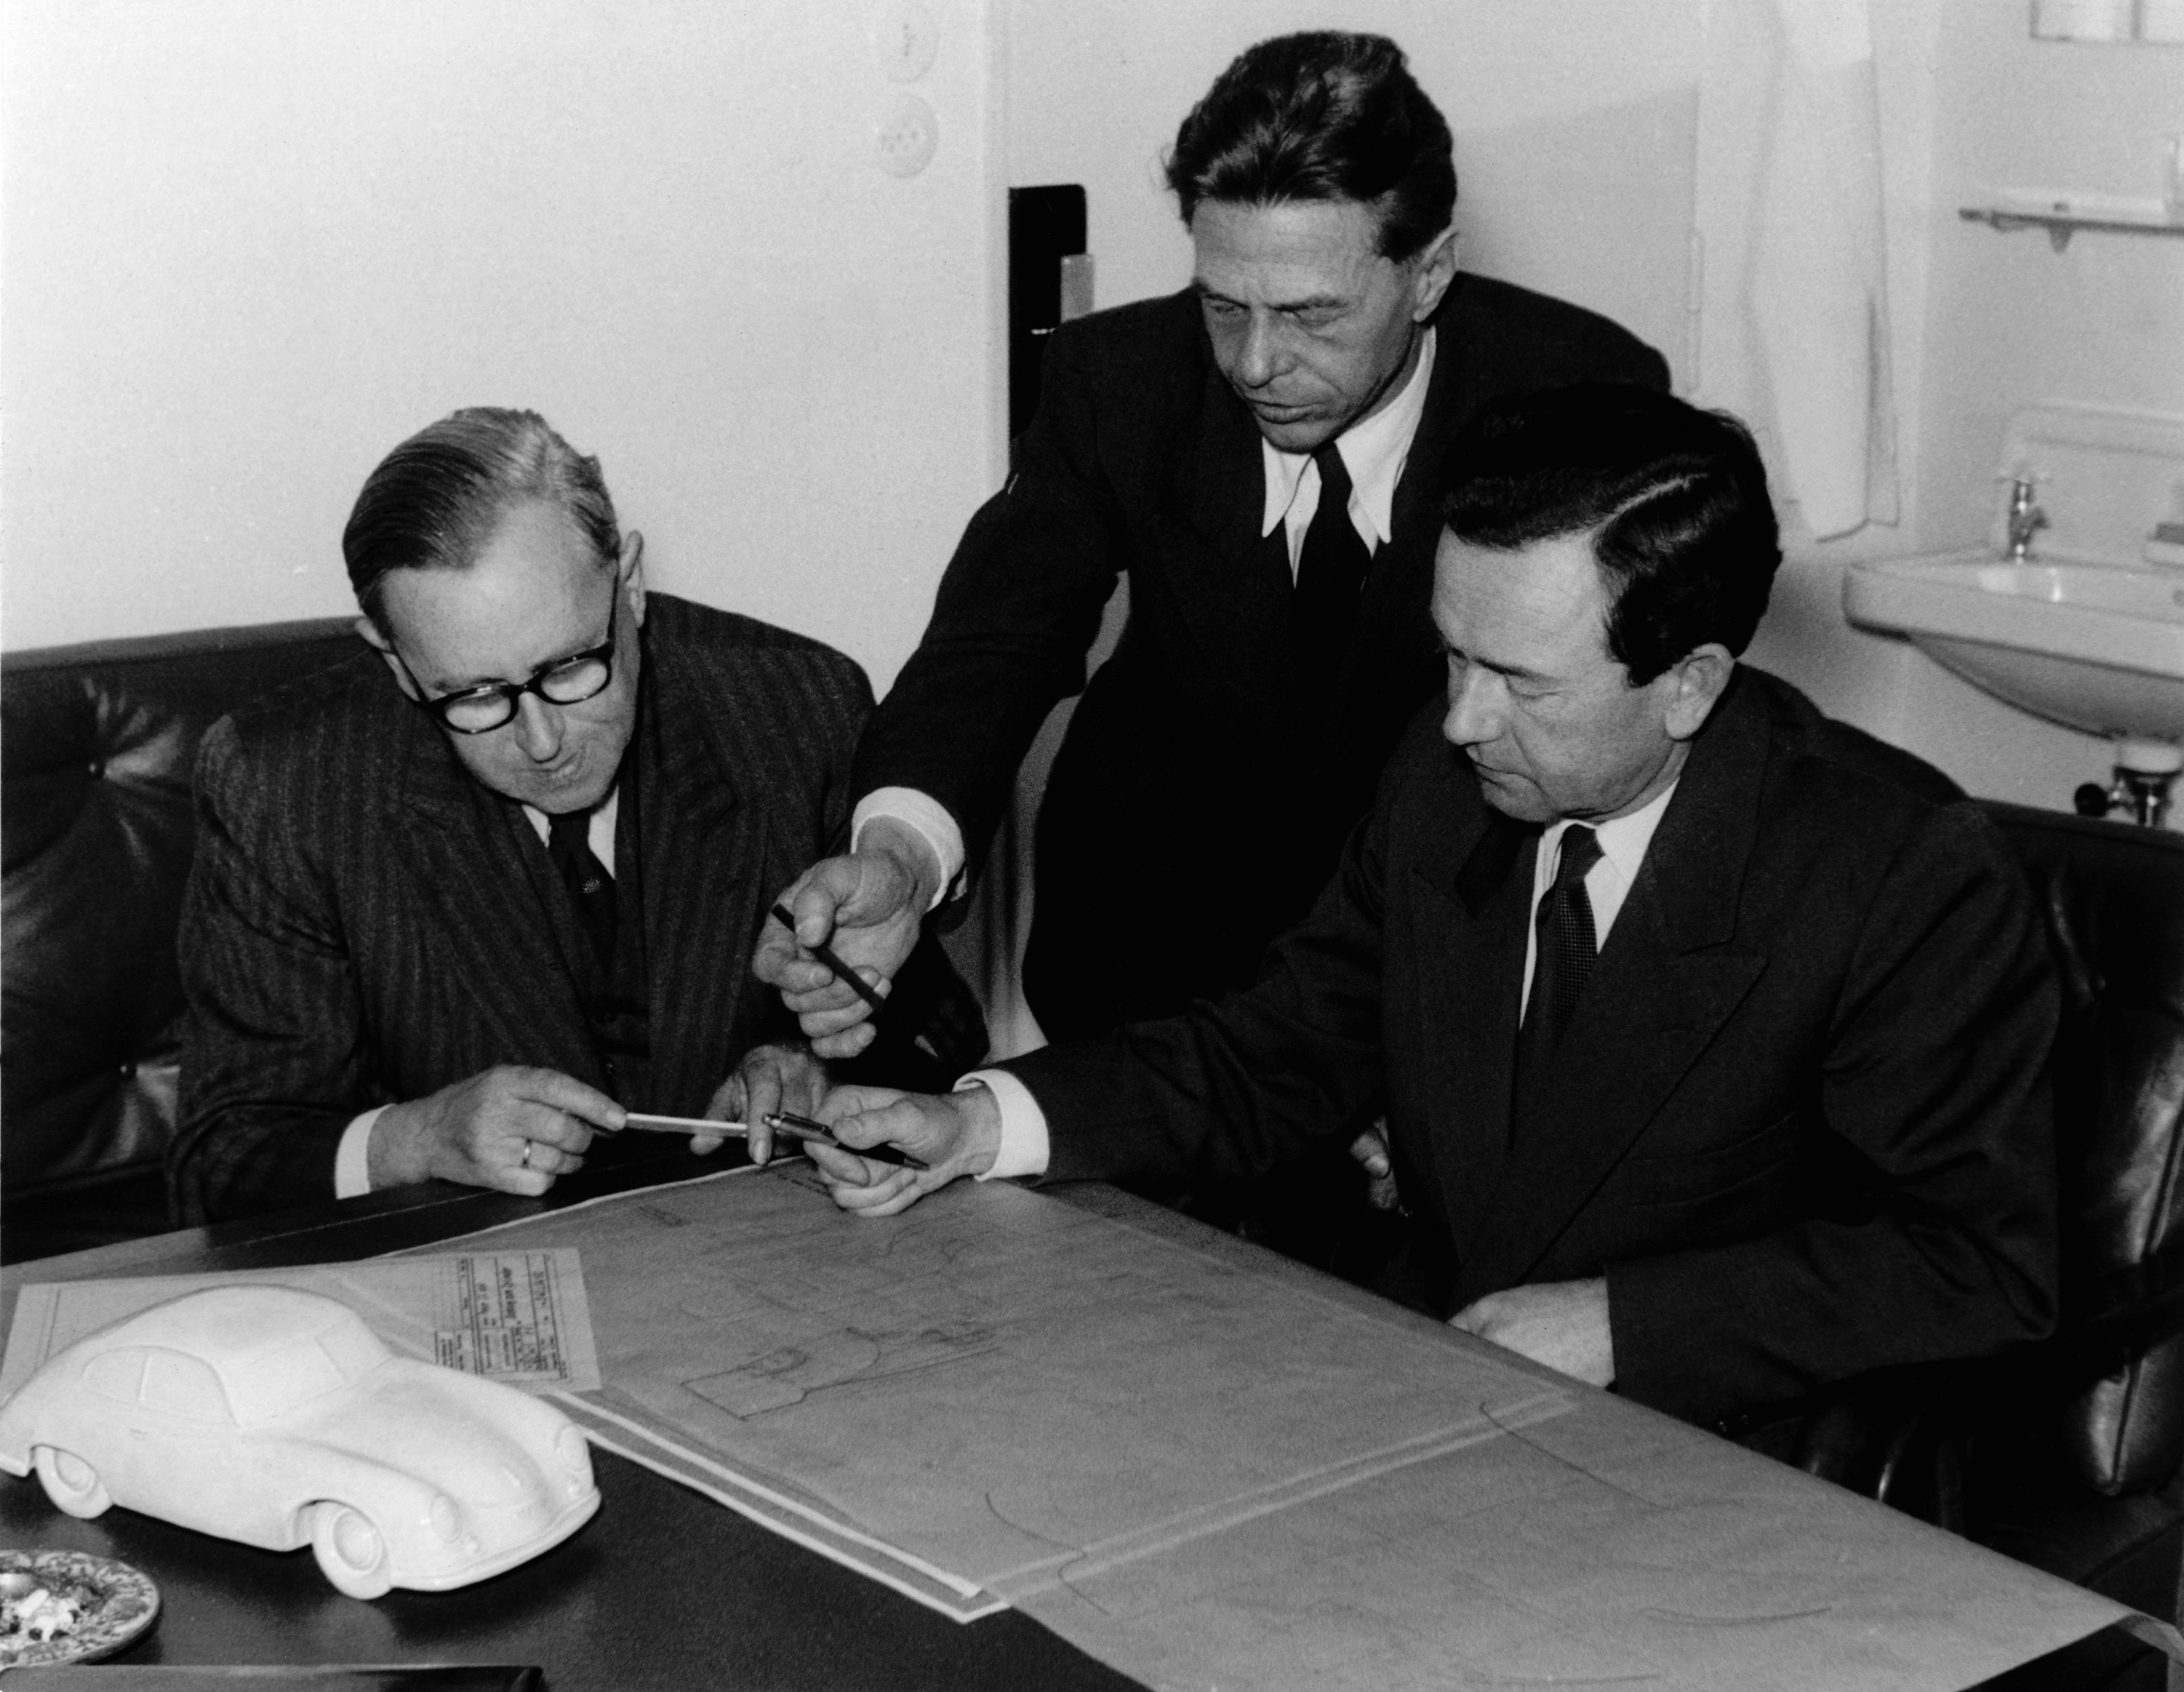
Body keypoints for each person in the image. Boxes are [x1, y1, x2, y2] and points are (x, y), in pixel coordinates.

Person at [799, 386, 2062, 1433]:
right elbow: (1275, 1051)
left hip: (1716, 1452)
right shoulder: (1446, 782)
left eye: (1517, 679)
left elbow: (1977, 1265)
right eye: (1452, 655)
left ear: (1689, 685)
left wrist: (1620, 1323)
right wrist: (979, 1123)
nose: (1460, 720)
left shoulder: (1897, 874)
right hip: (1434, 1387)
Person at [756, 29, 1669, 1060]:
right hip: (1144, 969)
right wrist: (902, 853)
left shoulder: (1582, 393)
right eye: (1222, 305)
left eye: (1312, 314)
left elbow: (1616, 753)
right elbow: (996, 639)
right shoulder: (1121, 379)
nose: (1256, 362)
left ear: (1429, 274)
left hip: (1437, 987)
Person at [170, 408, 982, 1225]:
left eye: (568, 667)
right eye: (473, 694)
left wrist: (822, 1073)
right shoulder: (286, 783)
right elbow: (222, 1160)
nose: (543, 738)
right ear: (395, 661)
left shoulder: (795, 707)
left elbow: (944, 1029)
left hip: (764, 1256)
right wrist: (411, 1142)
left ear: (628, 583)